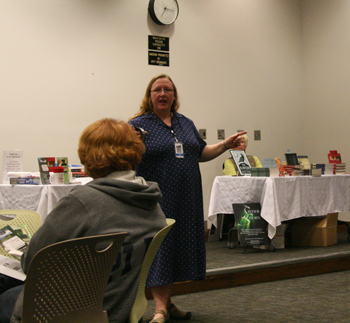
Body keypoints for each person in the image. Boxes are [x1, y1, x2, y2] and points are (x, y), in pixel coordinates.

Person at [0, 118, 167, 323]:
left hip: (66, 310)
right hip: (118, 307)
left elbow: (31, 263)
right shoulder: (150, 200)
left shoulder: (83, 201)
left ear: (89, 156)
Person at [129, 74, 245, 323]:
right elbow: (126, 157)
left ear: (174, 95)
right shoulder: (138, 125)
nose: (162, 94)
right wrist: (132, 145)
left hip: (187, 197)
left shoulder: (185, 122)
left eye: (167, 90)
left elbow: (200, 152)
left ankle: (167, 304)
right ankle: (160, 308)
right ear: (149, 96)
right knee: (160, 247)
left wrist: (225, 144)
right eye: (157, 90)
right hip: (157, 199)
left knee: (176, 246)